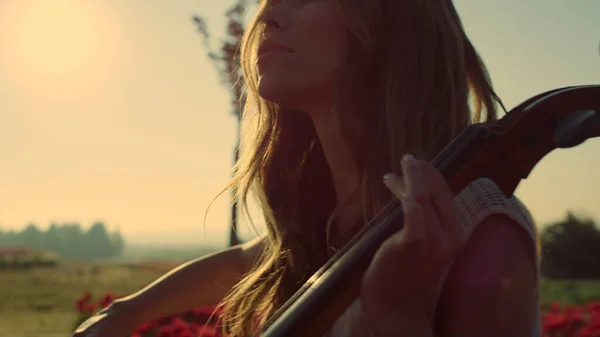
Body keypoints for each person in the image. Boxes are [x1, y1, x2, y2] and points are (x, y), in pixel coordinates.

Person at [73, 0, 542, 336]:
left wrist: (396, 313)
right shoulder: (336, 214)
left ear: (388, 23)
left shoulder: (482, 230)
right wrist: (125, 313)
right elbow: (256, 258)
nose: (269, 15)